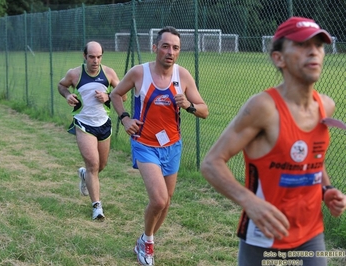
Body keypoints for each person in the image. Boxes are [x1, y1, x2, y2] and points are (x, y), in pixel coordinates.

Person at [201, 16, 346, 266]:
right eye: (302, 45)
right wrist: (250, 202)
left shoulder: (326, 105)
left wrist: (326, 189)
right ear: (278, 58)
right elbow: (212, 163)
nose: (314, 51)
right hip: (265, 237)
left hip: (311, 234)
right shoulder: (264, 107)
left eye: (319, 45)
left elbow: (313, 157)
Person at [110, 26, 208, 265]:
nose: (170, 52)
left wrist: (189, 105)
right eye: (165, 46)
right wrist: (125, 118)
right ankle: (149, 244)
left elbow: (204, 110)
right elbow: (115, 94)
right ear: (155, 48)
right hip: (145, 144)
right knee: (159, 200)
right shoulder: (139, 73)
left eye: (175, 48)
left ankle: (144, 238)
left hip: (172, 146)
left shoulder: (183, 76)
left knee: (167, 201)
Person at [58, 41, 126, 220]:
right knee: (93, 165)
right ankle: (97, 206)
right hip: (83, 124)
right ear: (85, 56)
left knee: (101, 165)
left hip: (103, 124)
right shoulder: (75, 74)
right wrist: (67, 95)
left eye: (99, 57)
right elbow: (61, 85)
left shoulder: (109, 73)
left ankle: (84, 174)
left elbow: (123, 95)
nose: (95, 61)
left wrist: (108, 96)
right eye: (92, 57)